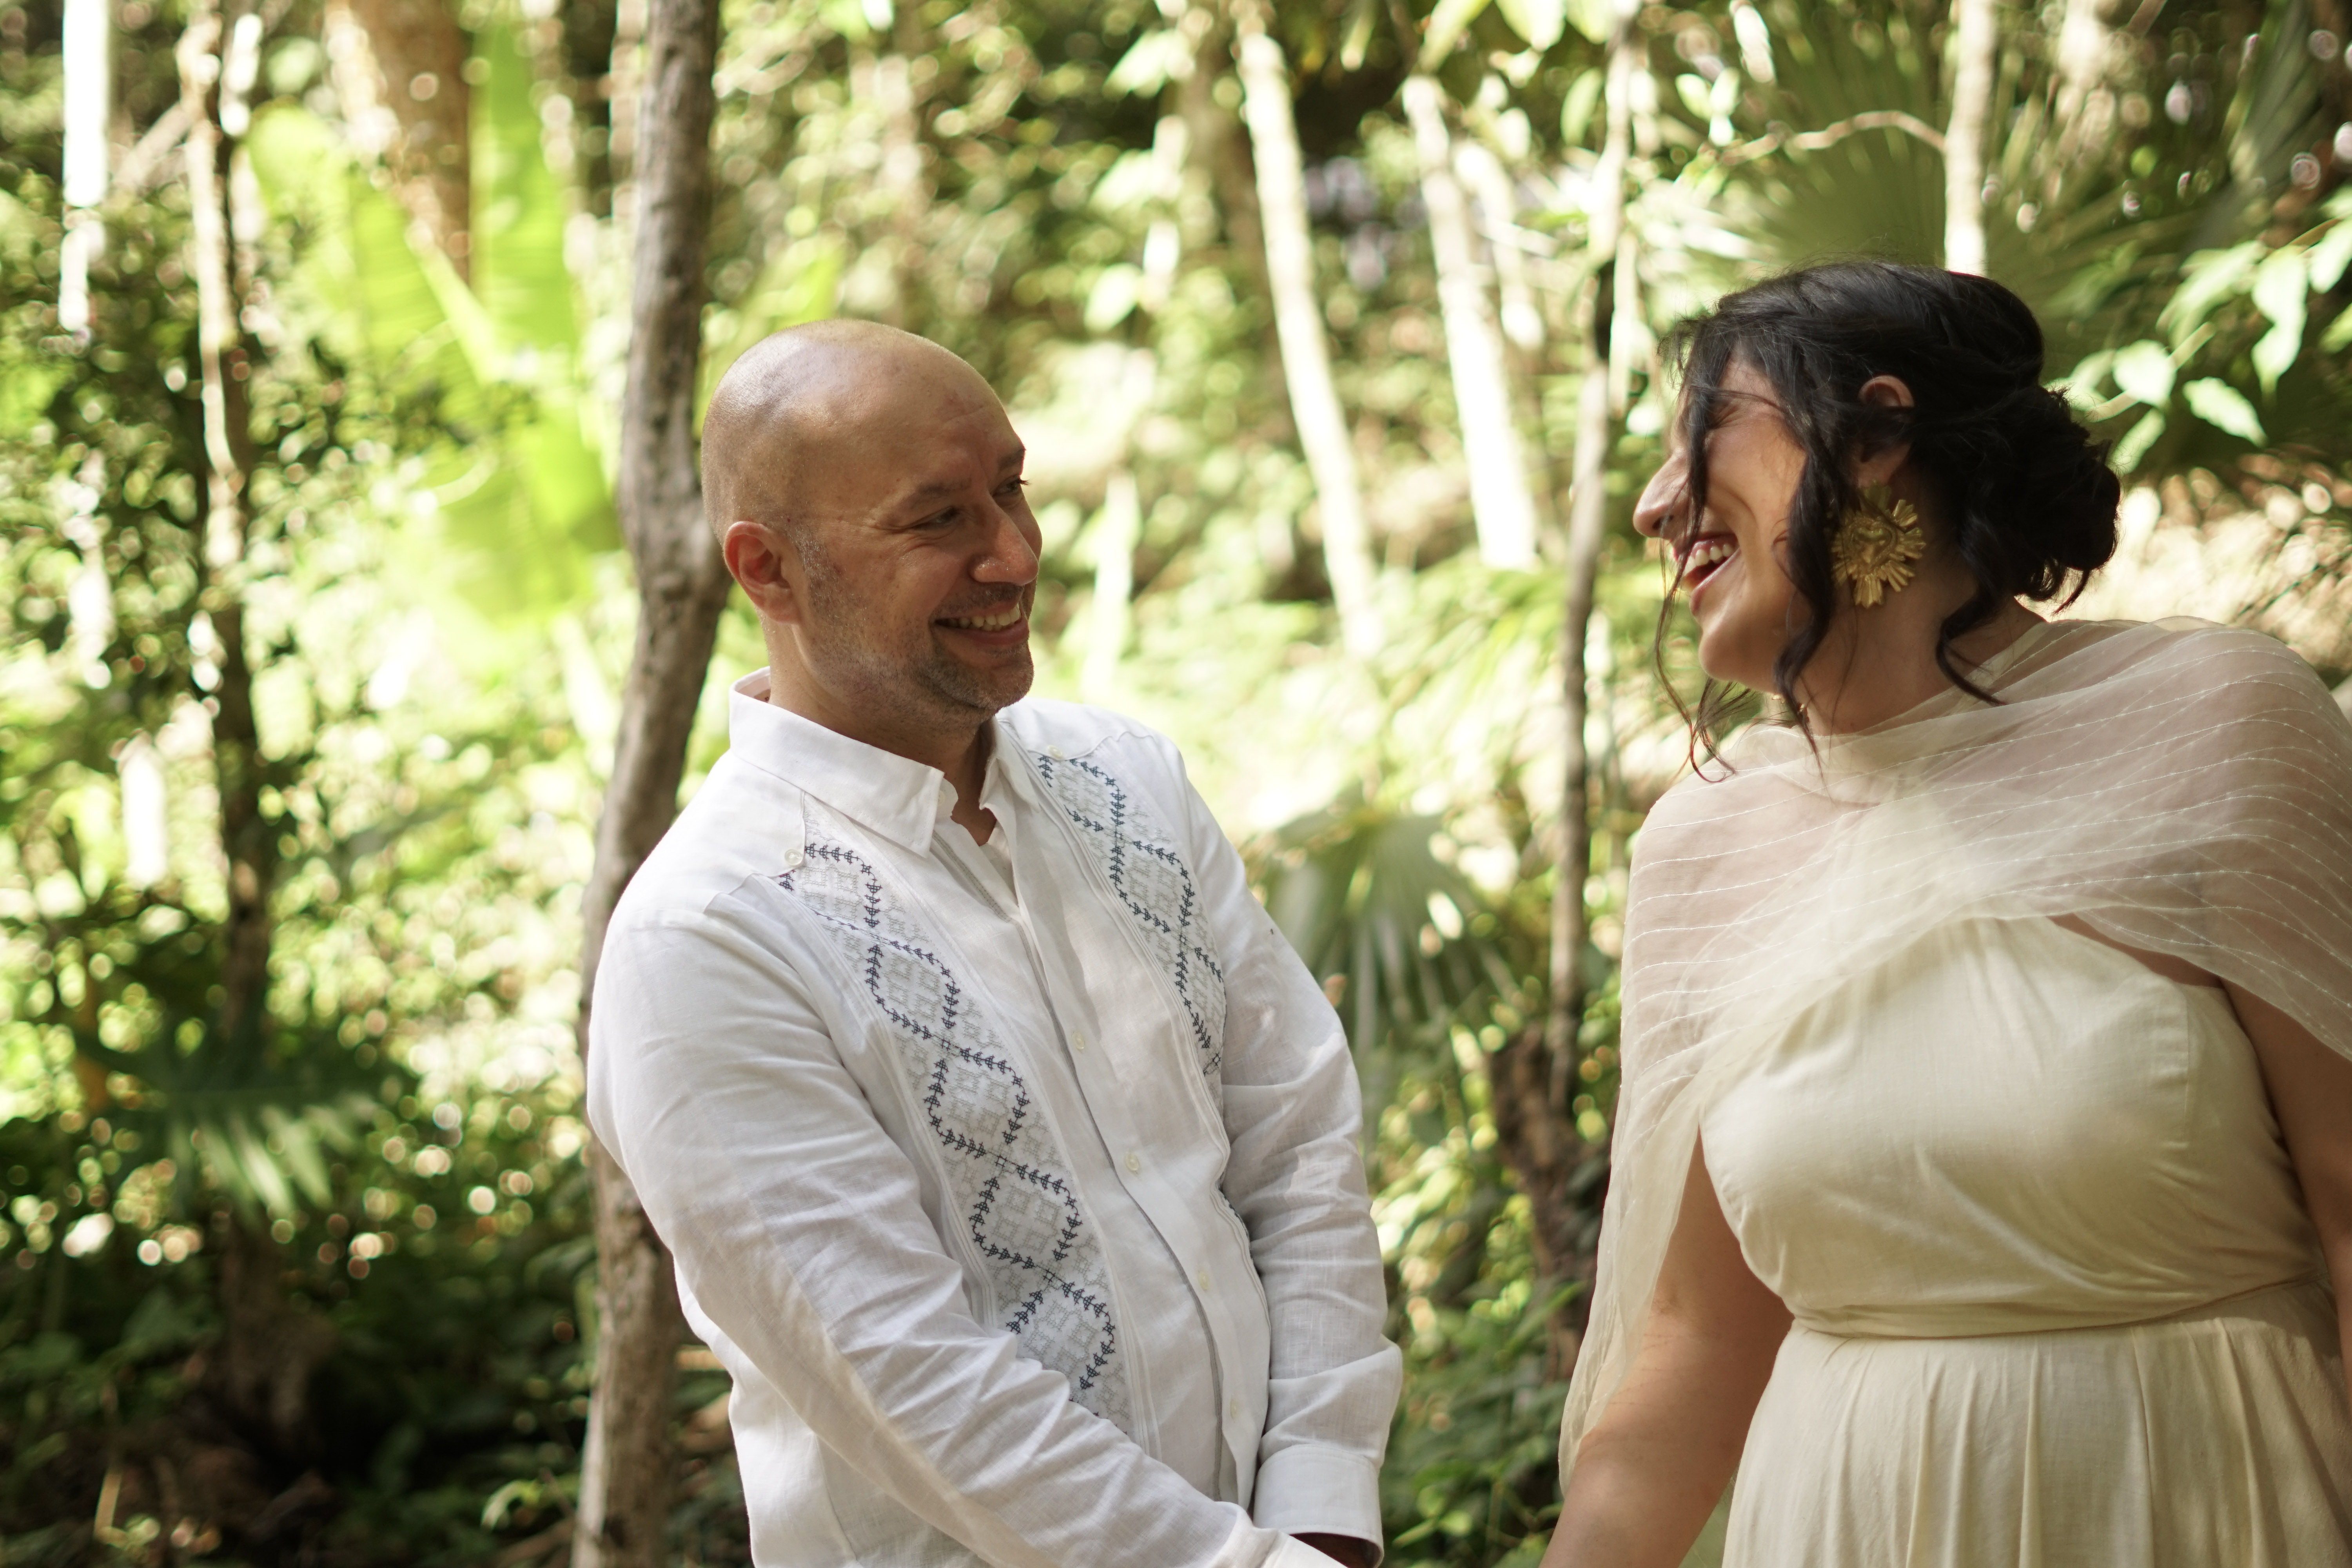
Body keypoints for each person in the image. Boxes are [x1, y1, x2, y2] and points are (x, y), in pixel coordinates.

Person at [1541, 262, 2352, 1567]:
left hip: (2209, 1501)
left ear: (1873, 438)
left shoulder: (2215, 722)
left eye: (1702, 432)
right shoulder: (1702, 844)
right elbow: (1696, 1342)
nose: (1655, 504)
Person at [586, 321, 1399, 1568]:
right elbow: (913, 1385)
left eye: (1011, 489)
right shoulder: (708, 938)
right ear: (770, 572)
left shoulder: (1127, 782)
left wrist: (1326, 1495)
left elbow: (1295, 1142)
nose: (1013, 554)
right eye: (938, 522)